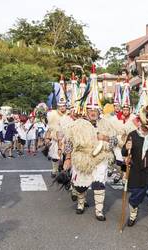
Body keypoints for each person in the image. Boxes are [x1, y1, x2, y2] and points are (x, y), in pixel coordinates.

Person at [64, 80, 117, 220]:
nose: (93, 112)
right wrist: (68, 159)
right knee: (81, 186)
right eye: (90, 109)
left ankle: (99, 211)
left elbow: (115, 141)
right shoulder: (77, 124)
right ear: (86, 110)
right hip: (82, 157)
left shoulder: (106, 124)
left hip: (100, 157)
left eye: (95, 110)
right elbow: (69, 142)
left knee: (99, 184)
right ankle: (81, 204)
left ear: (99, 110)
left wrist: (104, 137)